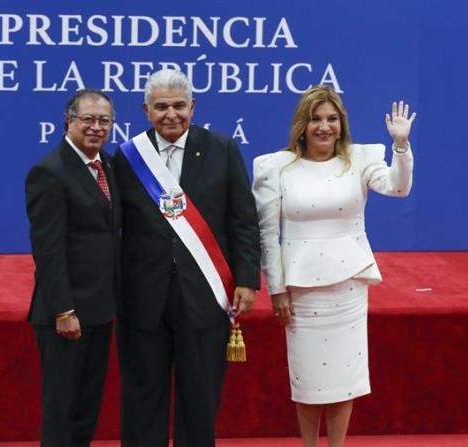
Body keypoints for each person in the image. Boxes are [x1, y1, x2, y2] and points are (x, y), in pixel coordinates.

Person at [252, 85, 416, 447]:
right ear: (302, 124)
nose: (324, 127)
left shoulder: (361, 158)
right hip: (301, 290)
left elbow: (398, 188)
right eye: (315, 119)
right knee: (309, 380)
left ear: (342, 124)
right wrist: (276, 289)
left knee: (344, 379)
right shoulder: (275, 166)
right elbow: (267, 235)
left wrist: (400, 148)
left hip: (349, 285)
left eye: (331, 119)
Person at [113, 68, 261, 447]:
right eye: (161, 107)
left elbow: (243, 220)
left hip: (204, 296)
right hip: (144, 296)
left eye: (179, 105)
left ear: (193, 107)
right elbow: (115, 228)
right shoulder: (128, 158)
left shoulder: (222, 149)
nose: (171, 114)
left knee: (199, 399)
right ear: (146, 110)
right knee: (143, 397)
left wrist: (246, 278)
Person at [24, 88, 121, 447]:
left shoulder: (107, 166)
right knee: (62, 409)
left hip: (100, 309)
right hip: (66, 315)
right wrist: (64, 310)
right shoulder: (49, 172)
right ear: (69, 122)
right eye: (88, 119)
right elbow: (48, 250)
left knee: (86, 407)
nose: (96, 127)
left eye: (104, 121)